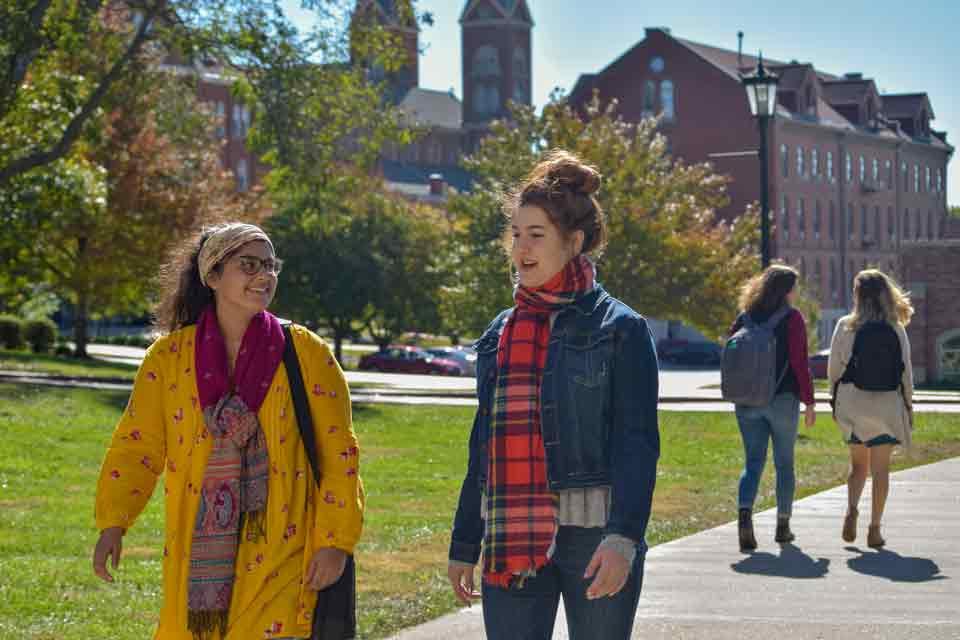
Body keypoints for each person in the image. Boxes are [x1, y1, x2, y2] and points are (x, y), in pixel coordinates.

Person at [92, 222, 364, 640]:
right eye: (249, 264)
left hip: (283, 550)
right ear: (213, 276)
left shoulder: (307, 353)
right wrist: (114, 522)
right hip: (195, 556)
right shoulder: (167, 359)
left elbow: (339, 452)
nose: (265, 276)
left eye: (271, 265)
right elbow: (137, 447)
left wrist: (335, 541)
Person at [447, 150, 660, 640]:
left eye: (536, 235)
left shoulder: (620, 329)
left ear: (574, 242)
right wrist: (465, 541)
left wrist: (623, 538)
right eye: (516, 235)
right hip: (509, 530)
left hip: (595, 538)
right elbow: (483, 444)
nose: (521, 248)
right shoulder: (500, 331)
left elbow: (637, 444)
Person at [728, 265, 816, 551]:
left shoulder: (745, 317)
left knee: (752, 463)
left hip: (747, 401)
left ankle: (744, 519)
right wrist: (810, 401)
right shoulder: (792, 319)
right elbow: (800, 362)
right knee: (784, 464)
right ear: (788, 290)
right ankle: (782, 526)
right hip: (782, 399)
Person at [828, 269, 914, 548]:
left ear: (857, 295)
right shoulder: (895, 328)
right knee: (881, 470)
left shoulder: (844, 325)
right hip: (886, 407)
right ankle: (874, 528)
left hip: (854, 405)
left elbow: (834, 369)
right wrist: (909, 406)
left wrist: (835, 401)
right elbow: (906, 373)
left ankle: (852, 509)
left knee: (857, 466)